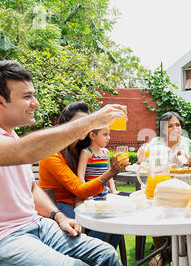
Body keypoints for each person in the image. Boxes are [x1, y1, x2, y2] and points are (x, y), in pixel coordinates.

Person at [0, 60, 136, 266]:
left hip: (36, 227)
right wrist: (89, 121)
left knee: (105, 254)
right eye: (27, 97)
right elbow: (24, 151)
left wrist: (58, 216)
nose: (35, 103)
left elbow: (31, 187)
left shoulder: (9, 134)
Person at [39, 101, 128, 251]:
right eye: (78, 122)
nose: (84, 126)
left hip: (83, 201)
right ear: (65, 124)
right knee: (103, 224)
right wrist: (111, 171)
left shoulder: (81, 149)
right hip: (58, 205)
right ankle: (94, 257)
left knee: (119, 219)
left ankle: (101, 260)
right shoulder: (52, 153)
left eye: (87, 122)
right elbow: (80, 189)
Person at [137, 111, 191, 266]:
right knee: (155, 213)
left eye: (177, 125)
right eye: (170, 126)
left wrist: (186, 160)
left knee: (182, 213)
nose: (175, 128)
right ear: (163, 129)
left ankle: (181, 249)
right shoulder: (155, 142)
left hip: (182, 188)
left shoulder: (186, 142)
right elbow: (144, 163)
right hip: (159, 188)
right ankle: (159, 251)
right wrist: (141, 154)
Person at [77, 126, 118, 200]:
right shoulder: (87, 153)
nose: (108, 137)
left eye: (109, 134)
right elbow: (80, 176)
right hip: (90, 195)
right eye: (105, 134)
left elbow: (110, 174)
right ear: (92, 135)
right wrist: (86, 193)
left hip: (105, 194)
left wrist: (114, 190)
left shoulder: (106, 152)